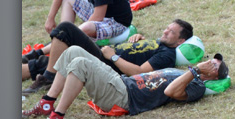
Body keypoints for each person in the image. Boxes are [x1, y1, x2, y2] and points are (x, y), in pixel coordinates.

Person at [22, 46, 225, 119]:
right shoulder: (185, 72)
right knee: (73, 51)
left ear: (214, 77)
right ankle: (47, 103)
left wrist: (196, 71)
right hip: (121, 82)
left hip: (124, 98)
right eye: (211, 60)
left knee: (79, 64)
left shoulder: (196, 86)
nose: (209, 62)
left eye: (214, 65)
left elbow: (170, 91)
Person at [22, 18, 192, 93]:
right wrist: (139, 38)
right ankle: (40, 69)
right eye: (167, 28)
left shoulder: (167, 55)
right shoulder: (159, 43)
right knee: (49, 60)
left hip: (105, 62)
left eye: (171, 32)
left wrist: (113, 57)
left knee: (66, 28)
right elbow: (141, 52)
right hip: (104, 54)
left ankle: (48, 77)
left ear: (180, 41)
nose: (165, 31)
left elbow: (139, 72)